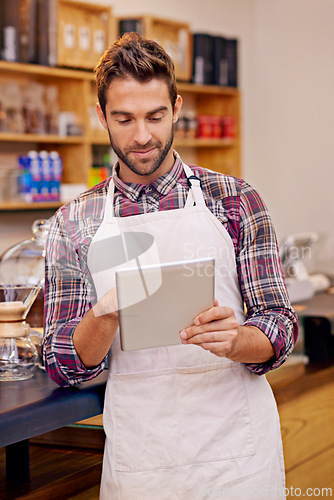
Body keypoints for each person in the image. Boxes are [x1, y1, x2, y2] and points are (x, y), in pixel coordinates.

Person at [43, 32, 298, 500]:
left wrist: (239, 338)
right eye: (123, 119)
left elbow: (279, 324)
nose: (142, 136)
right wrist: (104, 317)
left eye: (155, 116)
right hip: (142, 463)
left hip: (238, 456)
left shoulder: (236, 201)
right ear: (101, 116)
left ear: (177, 108)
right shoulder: (72, 224)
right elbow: (64, 363)